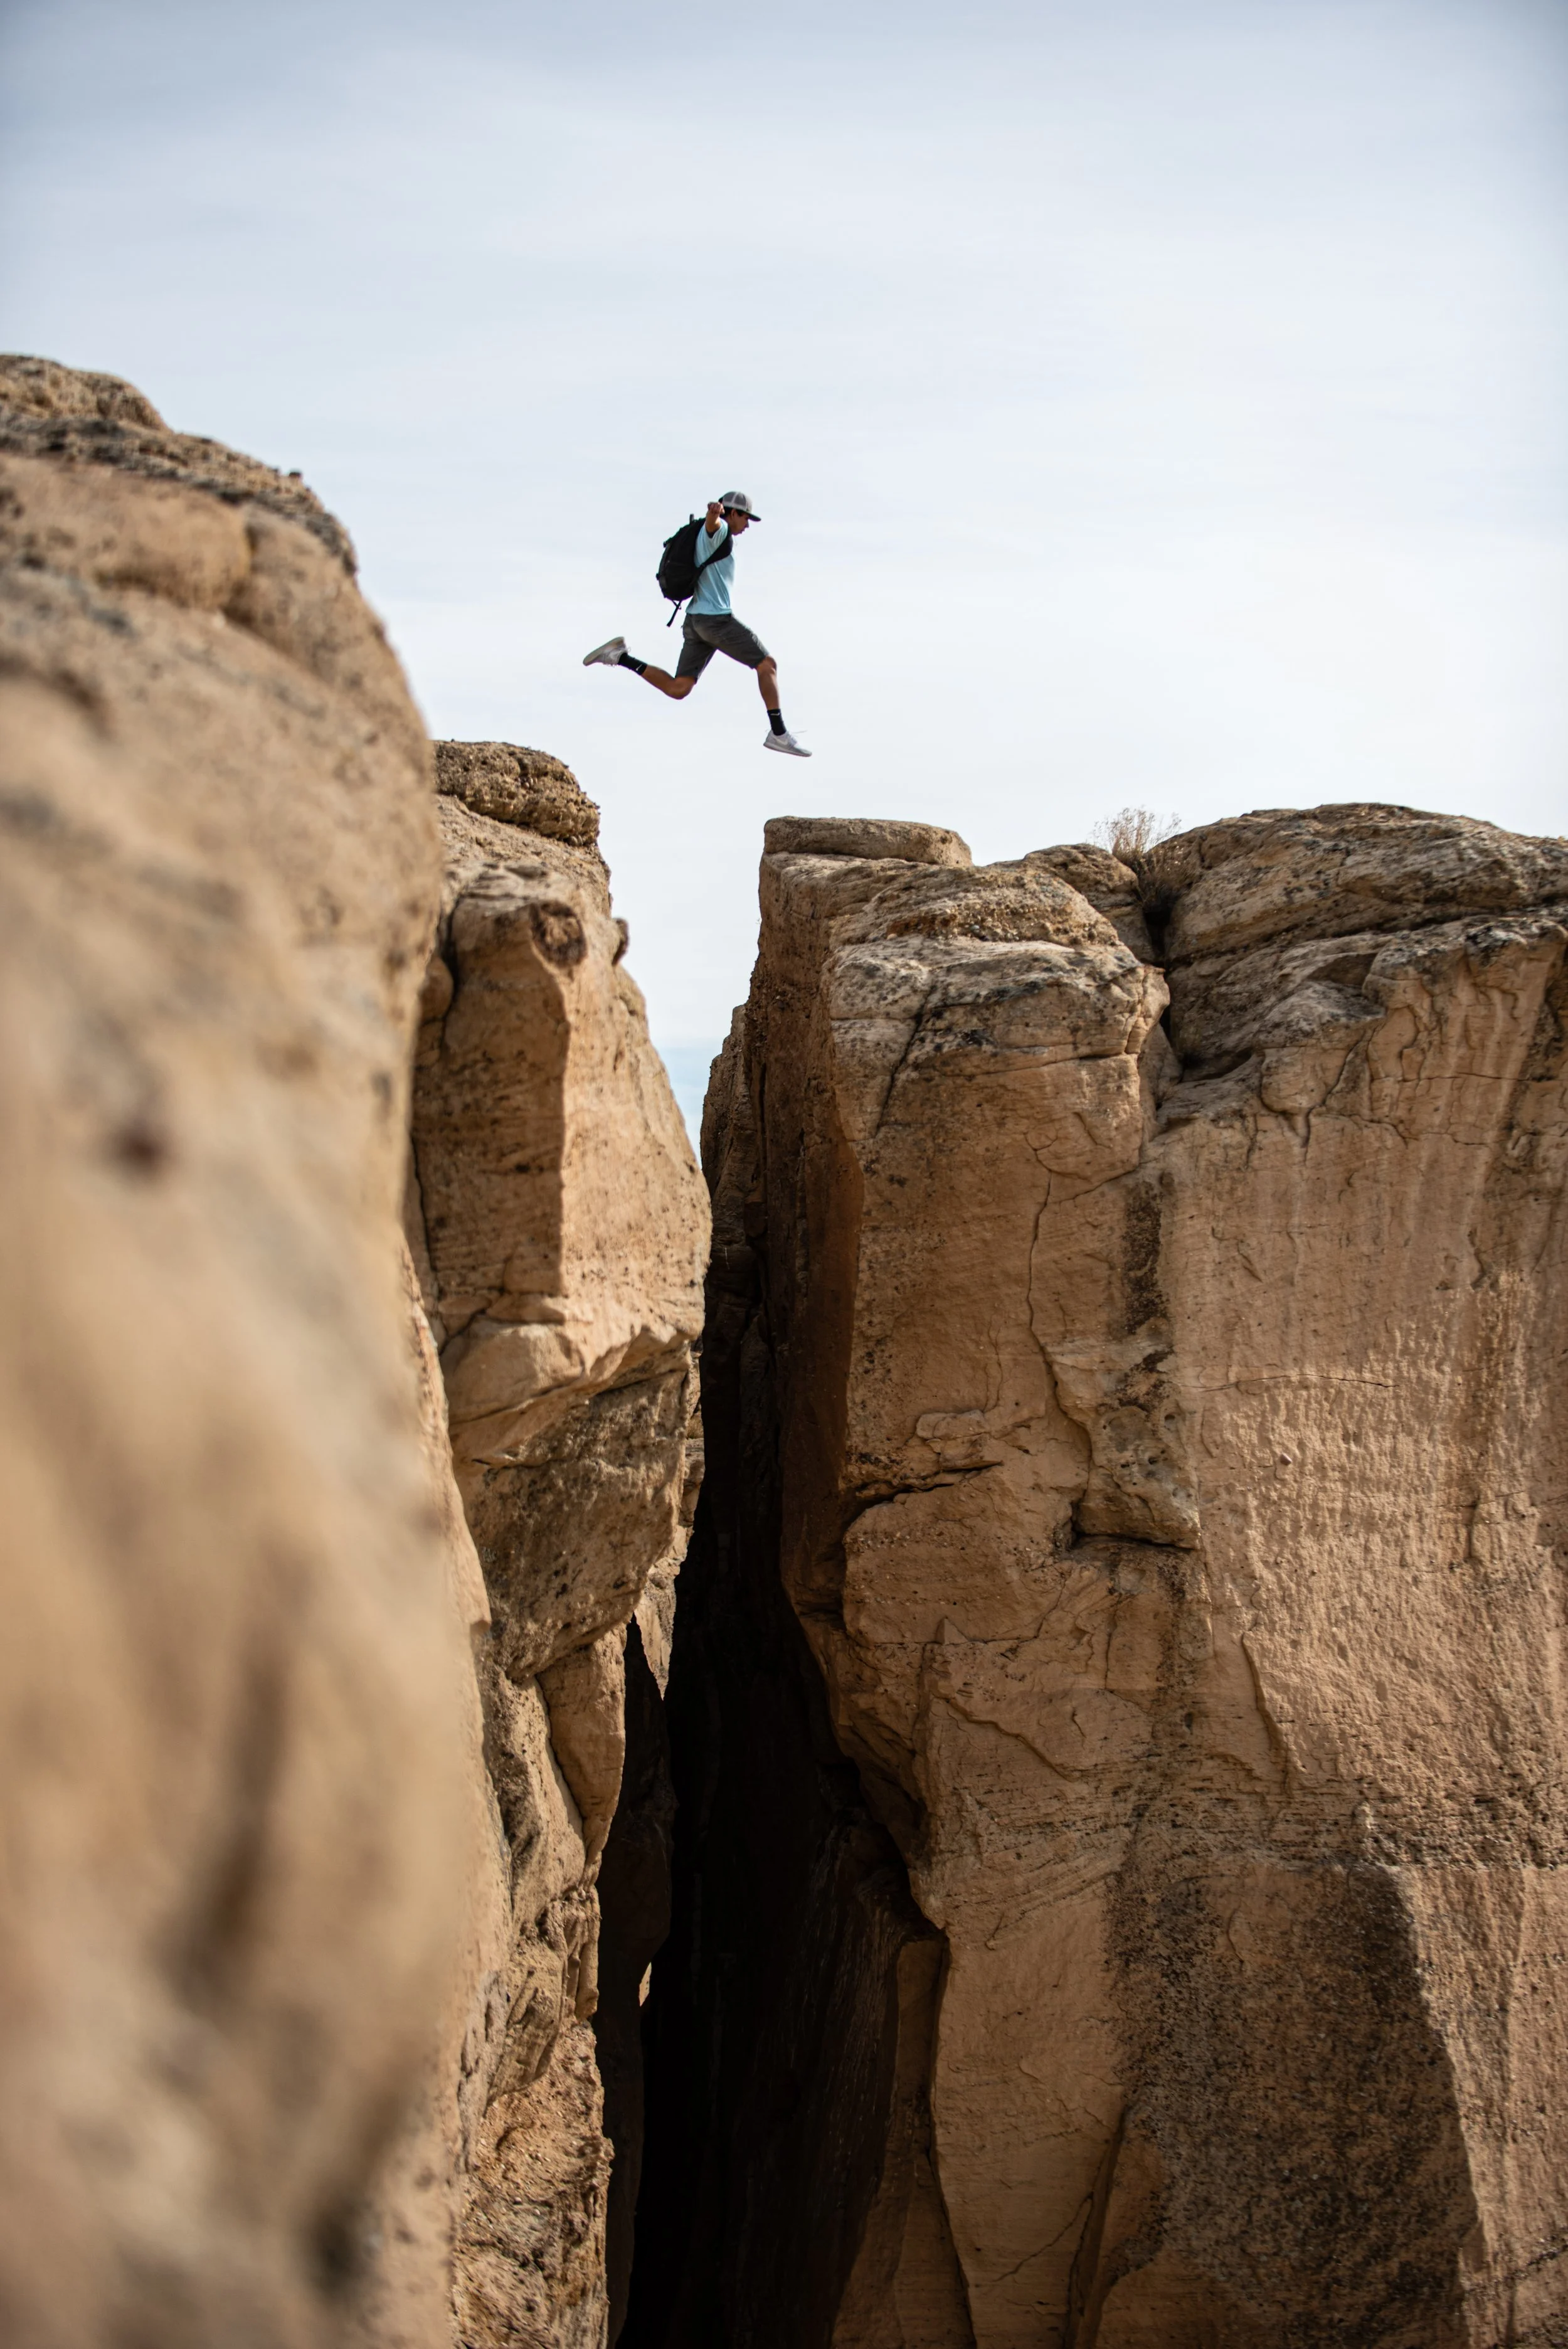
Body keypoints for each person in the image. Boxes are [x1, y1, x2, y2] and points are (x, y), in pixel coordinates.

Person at [582, 492, 811, 756]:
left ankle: (620, 657)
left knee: (679, 688)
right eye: (746, 517)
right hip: (715, 619)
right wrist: (715, 514)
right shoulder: (720, 530)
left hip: (695, 622)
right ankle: (779, 733)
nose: (747, 525)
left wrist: (714, 518)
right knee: (767, 665)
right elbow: (714, 525)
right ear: (733, 513)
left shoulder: (715, 536)